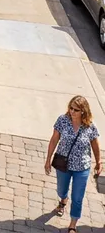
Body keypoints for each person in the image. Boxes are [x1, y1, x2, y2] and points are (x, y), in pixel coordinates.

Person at [45, 96, 101, 230]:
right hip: (63, 165)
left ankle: (72, 225)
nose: (72, 111)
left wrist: (99, 161)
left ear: (83, 111)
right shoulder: (62, 121)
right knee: (61, 189)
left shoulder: (89, 126)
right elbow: (54, 140)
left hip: (82, 167)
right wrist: (48, 159)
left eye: (76, 109)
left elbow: (95, 145)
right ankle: (63, 200)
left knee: (77, 197)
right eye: (71, 108)